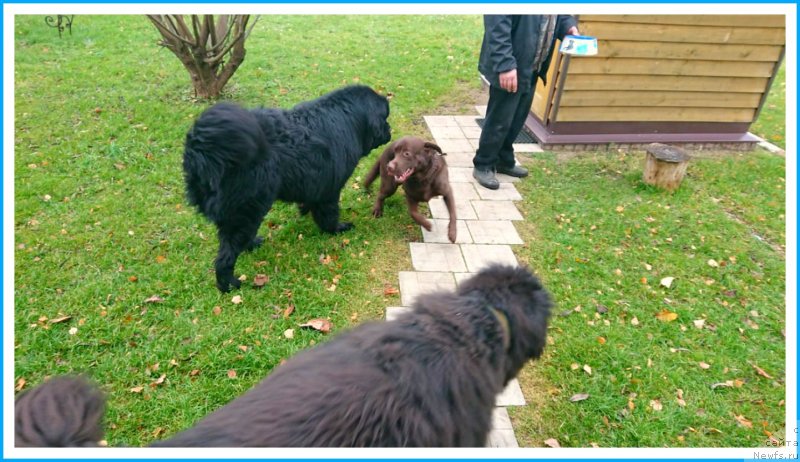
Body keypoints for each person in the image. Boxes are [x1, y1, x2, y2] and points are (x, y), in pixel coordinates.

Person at [473, 15, 579, 190]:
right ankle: (483, 163)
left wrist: (568, 27)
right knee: (500, 119)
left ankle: (503, 159)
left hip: (533, 65)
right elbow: (497, 25)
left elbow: (559, 14)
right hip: (510, 65)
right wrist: (505, 65)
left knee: (517, 117)